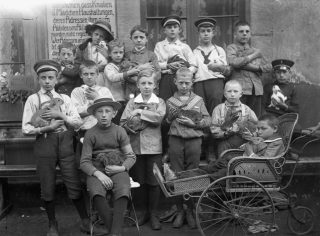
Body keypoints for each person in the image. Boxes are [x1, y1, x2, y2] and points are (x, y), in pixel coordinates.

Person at [22, 60, 107, 236]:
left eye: (50, 77)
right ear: (38, 79)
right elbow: (26, 128)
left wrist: (61, 115)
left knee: (73, 182)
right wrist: (47, 128)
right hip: (45, 144)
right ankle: (52, 225)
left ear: (56, 78)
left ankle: (85, 222)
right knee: (47, 185)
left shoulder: (66, 99)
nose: (47, 81)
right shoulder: (33, 99)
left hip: (66, 143)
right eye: (43, 78)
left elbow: (76, 122)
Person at [80, 97, 136, 236]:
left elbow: (131, 156)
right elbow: (84, 162)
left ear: (114, 114)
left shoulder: (119, 131)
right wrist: (99, 174)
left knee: (123, 189)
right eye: (100, 111)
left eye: (107, 111)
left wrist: (122, 168)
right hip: (97, 168)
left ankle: (114, 233)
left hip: (117, 167)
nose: (104, 115)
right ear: (94, 114)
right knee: (96, 191)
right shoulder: (90, 133)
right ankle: (115, 231)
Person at [165, 67, 211, 229]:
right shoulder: (170, 101)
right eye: (181, 83)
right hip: (176, 140)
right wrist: (170, 116)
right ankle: (180, 210)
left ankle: (191, 210)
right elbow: (167, 121)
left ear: (192, 83)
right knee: (177, 175)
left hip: (194, 140)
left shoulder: (198, 100)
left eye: (187, 83)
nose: (184, 86)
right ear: (175, 82)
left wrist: (195, 123)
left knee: (193, 174)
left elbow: (208, 120)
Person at [120, 69, 166, 230]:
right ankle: (142, 212)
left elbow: (159, 118)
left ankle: (154, 213)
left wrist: (140, 111)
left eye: (150, 83)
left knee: (154, 182)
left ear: (155, 85)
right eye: (143, 83)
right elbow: (123, 121)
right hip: (136, 148)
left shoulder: (159, 102)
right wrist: (129, 126)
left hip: (154, 148)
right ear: (138, 85)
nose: (146, 86)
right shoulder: (131, 102)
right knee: (139, 181)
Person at [203, 114, 285, 178]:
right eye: (258, 128)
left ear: (275, 129)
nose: (259, 131)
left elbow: (266, 162)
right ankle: (199, 173)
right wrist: (248, 143)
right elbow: (250, 146)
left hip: (257, 170)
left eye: (263, 129)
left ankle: (204, 179)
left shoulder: (276, 143)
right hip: (244, 164)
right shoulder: (262, 138)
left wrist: (250, 152)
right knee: (222, 161)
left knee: (223, 173)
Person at [71, 60, 114, 165]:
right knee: (85, 160)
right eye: (86, 74)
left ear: (97, 75)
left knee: (102, 159)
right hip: (84, 131)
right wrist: (96, 107)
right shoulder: (77, 91)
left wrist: (97, 98)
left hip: (103, 130)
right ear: (81, 75)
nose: (89, 77)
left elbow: (111, 111)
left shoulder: (104, 91)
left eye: (92, 74)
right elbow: (77, 112)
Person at [226, 21, 272, 118]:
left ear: (250, 34)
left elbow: (268, 67)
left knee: (254, 118)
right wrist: (254, 59)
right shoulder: (231, 48)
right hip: (239, 89)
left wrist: (244, 61)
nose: (244, 34)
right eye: (241, 31)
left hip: (256, 89)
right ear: (235, 34)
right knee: (238, 118)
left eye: (247, 31)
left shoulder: (256, 50)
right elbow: (235, 62)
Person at [211, 80, 258, 157]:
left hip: (243, 142)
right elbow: (214, 130)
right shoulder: (218, 109)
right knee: (223, 163)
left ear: (241, 94)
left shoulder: (247, 109)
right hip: (224, 142)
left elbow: (256, 126)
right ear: (224, 94)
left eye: (235, 91)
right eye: (229, 91)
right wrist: (227, 133)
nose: (232, 94)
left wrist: (251, 134)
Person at [154, 15, 197, 101]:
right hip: (166, 78)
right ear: (164, 30)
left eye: (175, 27)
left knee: (182, 101)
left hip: (182, 80)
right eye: (169, 27)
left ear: (179, 30)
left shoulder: (184, 47)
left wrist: (185, 72)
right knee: (165, 101)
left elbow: (194, 65)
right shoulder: (159, 45)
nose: (172, 29)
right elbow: (155, 64)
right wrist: (167, 65)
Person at [193, 18, 230, 114]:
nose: (206, 34)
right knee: (200, 107)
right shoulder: (194, 52)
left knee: (216, 106)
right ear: (198, 33)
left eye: (208, 31)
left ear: (213, 33)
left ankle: (215, 127)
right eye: (203, 31)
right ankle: (203, 128)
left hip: (215, 82)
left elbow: (226, 70)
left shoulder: (219, 50)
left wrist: (218, 67)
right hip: (199, 83)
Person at [103, 39, 141, 124]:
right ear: (109, 54)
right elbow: (113, 77)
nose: (118, 55)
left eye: (121, 52)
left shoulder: (124, 65)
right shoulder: (109, 67)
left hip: (125, 100)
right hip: (114, 100)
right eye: (115, 53)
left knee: (124, 122)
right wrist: (128, 73)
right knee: (115, 122)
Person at [124, 25, 161, 98]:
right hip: (131, 89)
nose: (138, 40)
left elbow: (158, 72)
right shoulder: (127, 55)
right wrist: (141, 71)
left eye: (141, 37)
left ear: (146, 39)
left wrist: (148, 80)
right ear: (131, 38)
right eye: (135, 37)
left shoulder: (151, 55)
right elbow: (124, 73)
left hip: (148, 90)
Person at [75, 20, 114, 86]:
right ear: (92, 33)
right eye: (96, 34)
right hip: (87, 79)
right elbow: (77, 64)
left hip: (105, 80)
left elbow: (116, 64)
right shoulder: (83, 48)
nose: (98, 37)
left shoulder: (109, 49)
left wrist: (107, 56)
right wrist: (91, 68)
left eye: (101, 36)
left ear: (105, 38)